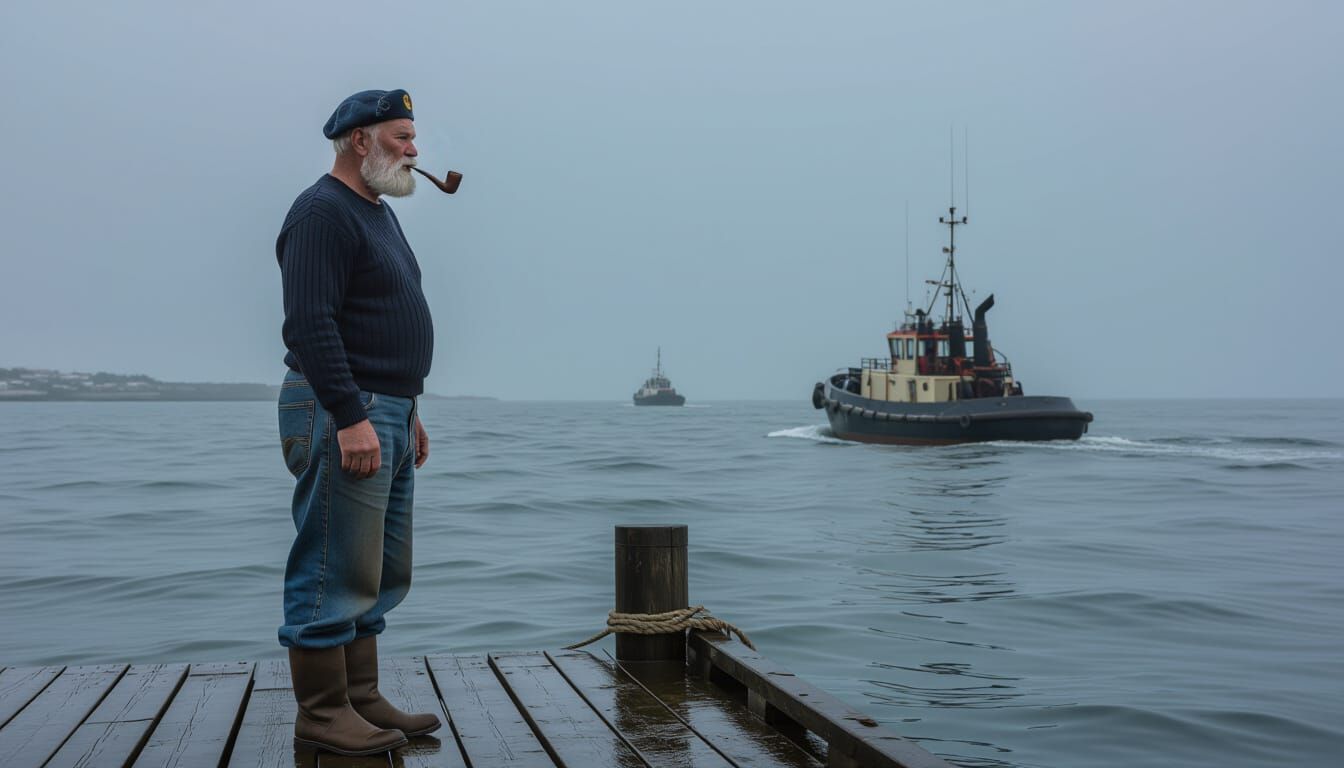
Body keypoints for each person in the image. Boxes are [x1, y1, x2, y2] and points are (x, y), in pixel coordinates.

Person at [274, 88, 441, 756]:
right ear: (360, 141)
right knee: (332, 564)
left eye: (413, 136)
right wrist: (349, 415)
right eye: (402, 135)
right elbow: (310, 323)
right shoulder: (321, 212)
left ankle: (361, 698)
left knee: (380, 567)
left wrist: (411, 409)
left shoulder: (375, 212)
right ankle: (321, 712)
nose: (415, 149)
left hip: (389, 408)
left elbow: (382, 316)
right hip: (343, 406)